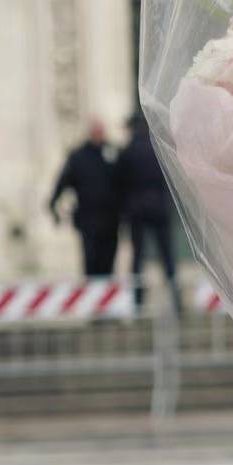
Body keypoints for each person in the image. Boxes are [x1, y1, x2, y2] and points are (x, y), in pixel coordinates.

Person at [116, 113, 182, 314]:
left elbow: (120, 185)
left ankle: (137, 301)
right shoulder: (157, 149)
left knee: (137, 256)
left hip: (137, 211)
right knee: (167, 255)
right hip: (159, 208)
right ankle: (176, 300)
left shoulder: (127, 152)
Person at [47, 118, 120, 276]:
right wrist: (53, 203)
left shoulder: (113, 153)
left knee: (108, 260)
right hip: (88, 219)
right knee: (91, 261)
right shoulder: (78, 156)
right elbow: (63, 181)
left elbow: (124, 182)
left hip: (111, 219)